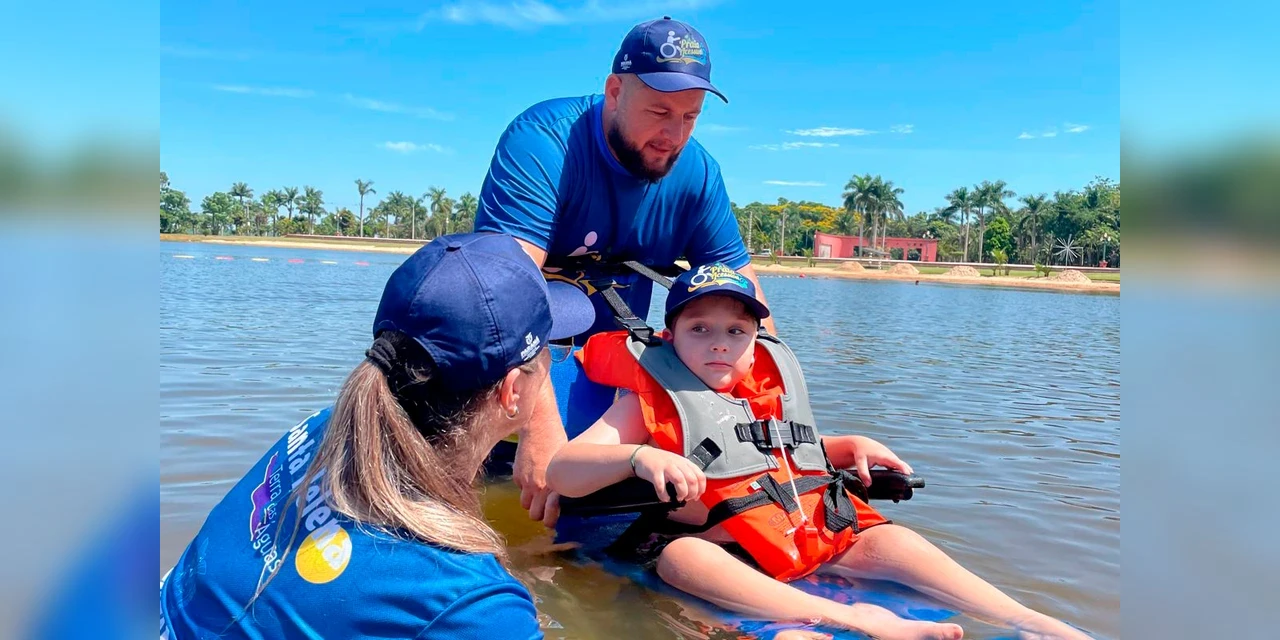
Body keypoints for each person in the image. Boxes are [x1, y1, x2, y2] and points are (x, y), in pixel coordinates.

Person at [546, 263, 1092, 640]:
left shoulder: (763, 392)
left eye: (737, 331)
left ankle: (1021, 617)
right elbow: (562, 471)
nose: (719, 343)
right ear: (669, 338)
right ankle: (849, 619)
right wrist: (640, 457)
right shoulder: (644, 403)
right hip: (716, 546)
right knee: (682, 559)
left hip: (800, 538)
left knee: (892, 537)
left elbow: (779, 456)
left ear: (756, 341)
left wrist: (846, 445)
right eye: (699, 328)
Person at [160, 232, 595, 639]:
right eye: (553, 352)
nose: (557, 361)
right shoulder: (472, 603)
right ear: (513, 391)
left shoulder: (326, 426)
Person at [475, 15, 771, 524]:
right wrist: (538, 424)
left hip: (606, 369)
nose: (673, 135)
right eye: (659, 110)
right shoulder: (543, 142)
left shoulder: (697, 174)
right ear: (614, 91)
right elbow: (503, 295)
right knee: (507, 498)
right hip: (518, 359)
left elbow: (751, 309)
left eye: (690, 117)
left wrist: (775, 435)